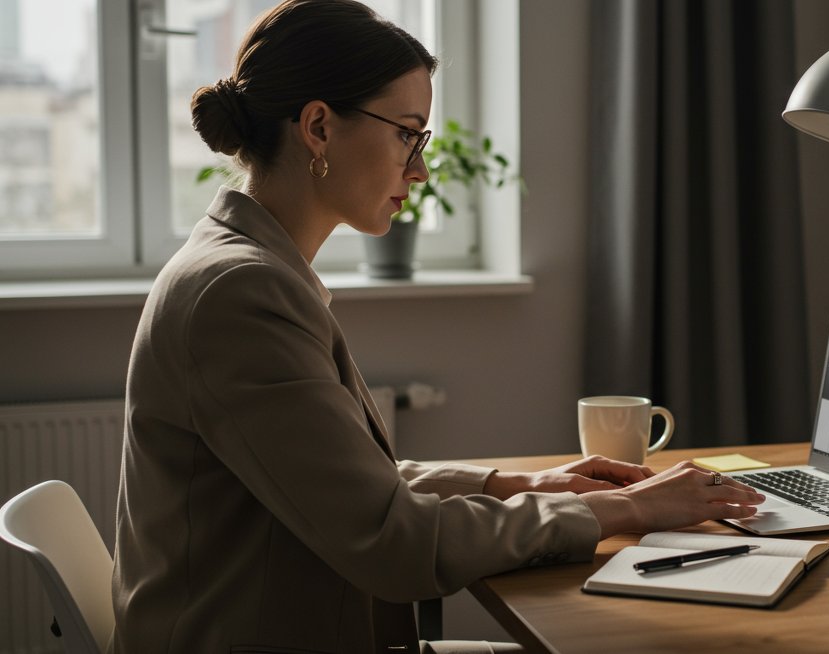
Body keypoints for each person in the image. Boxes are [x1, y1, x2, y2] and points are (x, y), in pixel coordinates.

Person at [110, 1, 764, 652]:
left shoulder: (246, 268)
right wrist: (631, 508)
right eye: (407, 133)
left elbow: (357, 485)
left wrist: (524, 483)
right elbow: (394, 543)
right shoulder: (241, 295)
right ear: (318, 127)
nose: (419, 170)